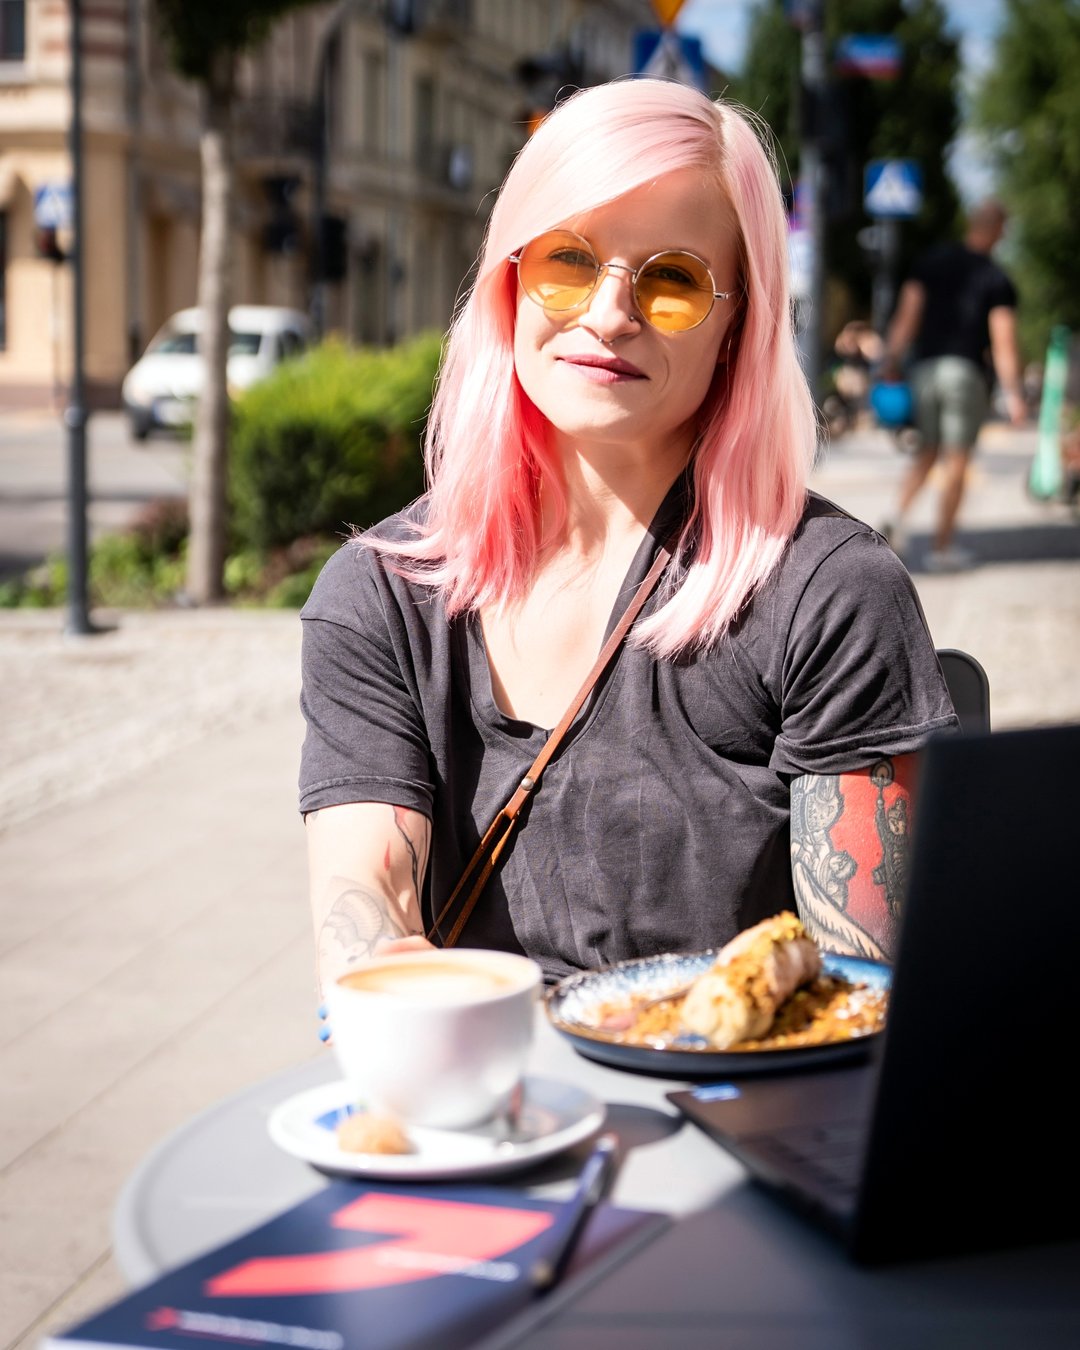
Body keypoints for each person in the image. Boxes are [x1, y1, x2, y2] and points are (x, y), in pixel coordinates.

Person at [299, 78, 958, 1015]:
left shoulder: (830, 591)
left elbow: (864, 1001)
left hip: (740, 1090)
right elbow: (365, 924)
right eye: (568, 261)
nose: (610, 313)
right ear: (508, 283)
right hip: (486, 1084)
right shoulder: (377, 596)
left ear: (737, 327)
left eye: (674, 280)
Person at [879, 198, 1027, 571]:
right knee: (958, 459)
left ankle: (895, 517)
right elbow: (1003, 340)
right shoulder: (996, 277)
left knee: (927, 451)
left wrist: (890, 361)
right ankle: (942, 548)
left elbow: (907, 317)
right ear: (998, 230)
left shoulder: (931, 263)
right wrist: (1013, 392)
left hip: (925, 371)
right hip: (964, 374)